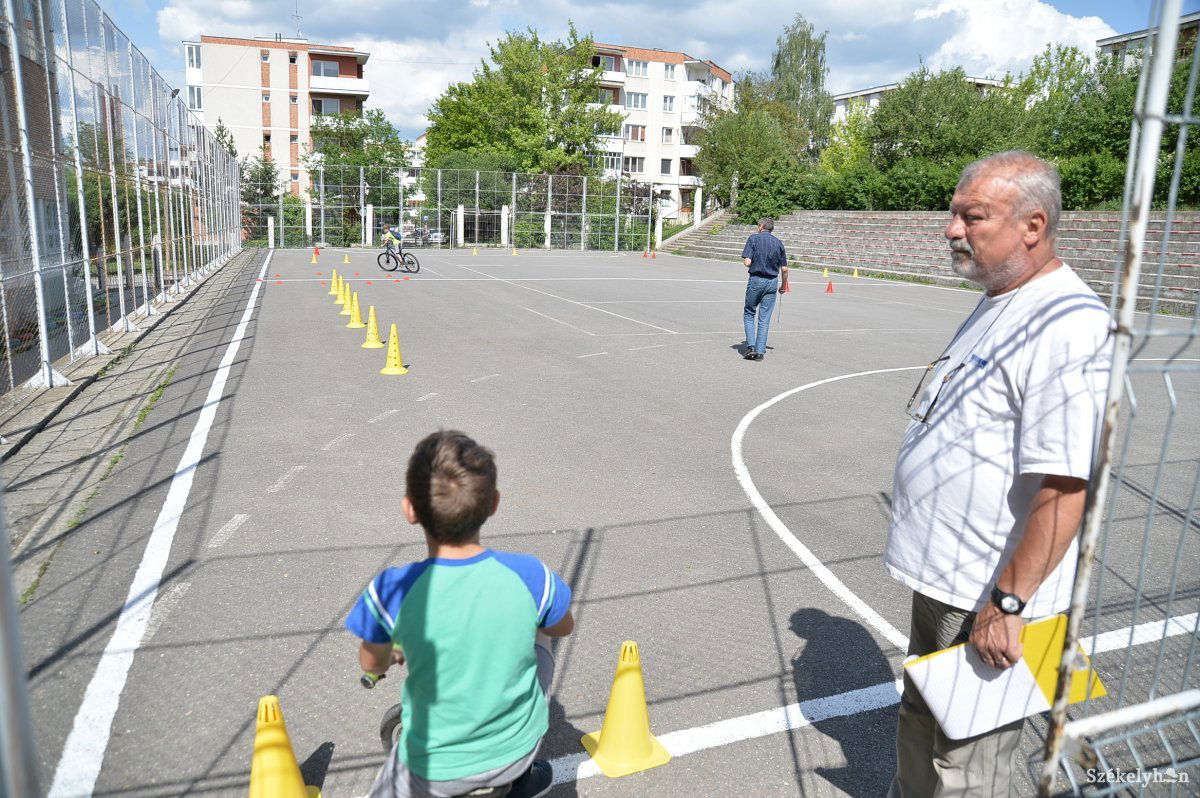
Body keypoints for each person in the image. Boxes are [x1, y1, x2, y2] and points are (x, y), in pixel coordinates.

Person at [885, 151, 1112, 797]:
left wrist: (1009, 602)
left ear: (1032, 226)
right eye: (954, 214)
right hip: (948, 580)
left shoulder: (1068, 325)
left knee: (970, 765)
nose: (951, 229)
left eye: (972, 216)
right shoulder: (1002, 298)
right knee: (922, 723)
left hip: (991, 591)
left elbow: (1066, 485)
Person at [346, 430, 574, 798]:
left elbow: (371, 660)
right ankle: (523, 780)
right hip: (518, 749)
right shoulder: (530, 574)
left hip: (433, 771)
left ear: (410, 509)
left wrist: (384, 660)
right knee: (542, 631)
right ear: (494, 503)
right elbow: (563, 626)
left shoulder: (392, 590)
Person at [740, 218, 789, 361]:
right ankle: (760, 352)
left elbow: (747, 262)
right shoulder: (778, 243)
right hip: (772, 282)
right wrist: (783, 286)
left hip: (756, 280)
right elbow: (784, 269)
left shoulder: (753, 239)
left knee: (749, 312)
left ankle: (751, 347)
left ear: (762, 226)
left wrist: (751, 261)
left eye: (758, 225)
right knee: (764, 318)